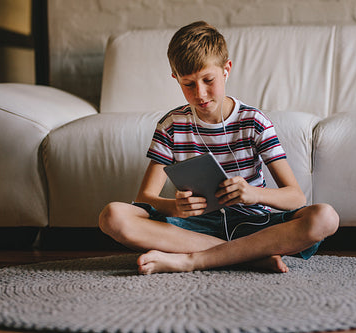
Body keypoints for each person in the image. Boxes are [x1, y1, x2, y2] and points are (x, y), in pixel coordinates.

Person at [99, 21, 339, 274]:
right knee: (112, 215)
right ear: (175, 79)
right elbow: (144, 198)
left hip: (254, 223)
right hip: (193, 227)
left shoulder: (254, 122)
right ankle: (250, 256)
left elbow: (295, 197)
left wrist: (253, 194)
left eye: (208, 79)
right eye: (188, 84)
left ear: (226, 69)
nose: (200, 94)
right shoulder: (171, 126)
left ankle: (194, 260)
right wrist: (175, 207)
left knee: (325, 217)